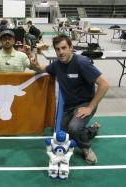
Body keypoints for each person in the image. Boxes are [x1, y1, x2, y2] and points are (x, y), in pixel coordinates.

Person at [33, 34, 109, 165]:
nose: (61, 52)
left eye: (64, 48)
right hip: (69, 106)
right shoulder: (57, 65)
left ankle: (86, 149)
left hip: (85, 104)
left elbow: (104, 84)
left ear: (71, 47)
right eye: (57, 49)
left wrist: (90, 107)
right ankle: (92, 130)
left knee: (73, 128)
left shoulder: (82, 63)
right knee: (62, 133)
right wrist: (35, 66)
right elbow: (42, 70)